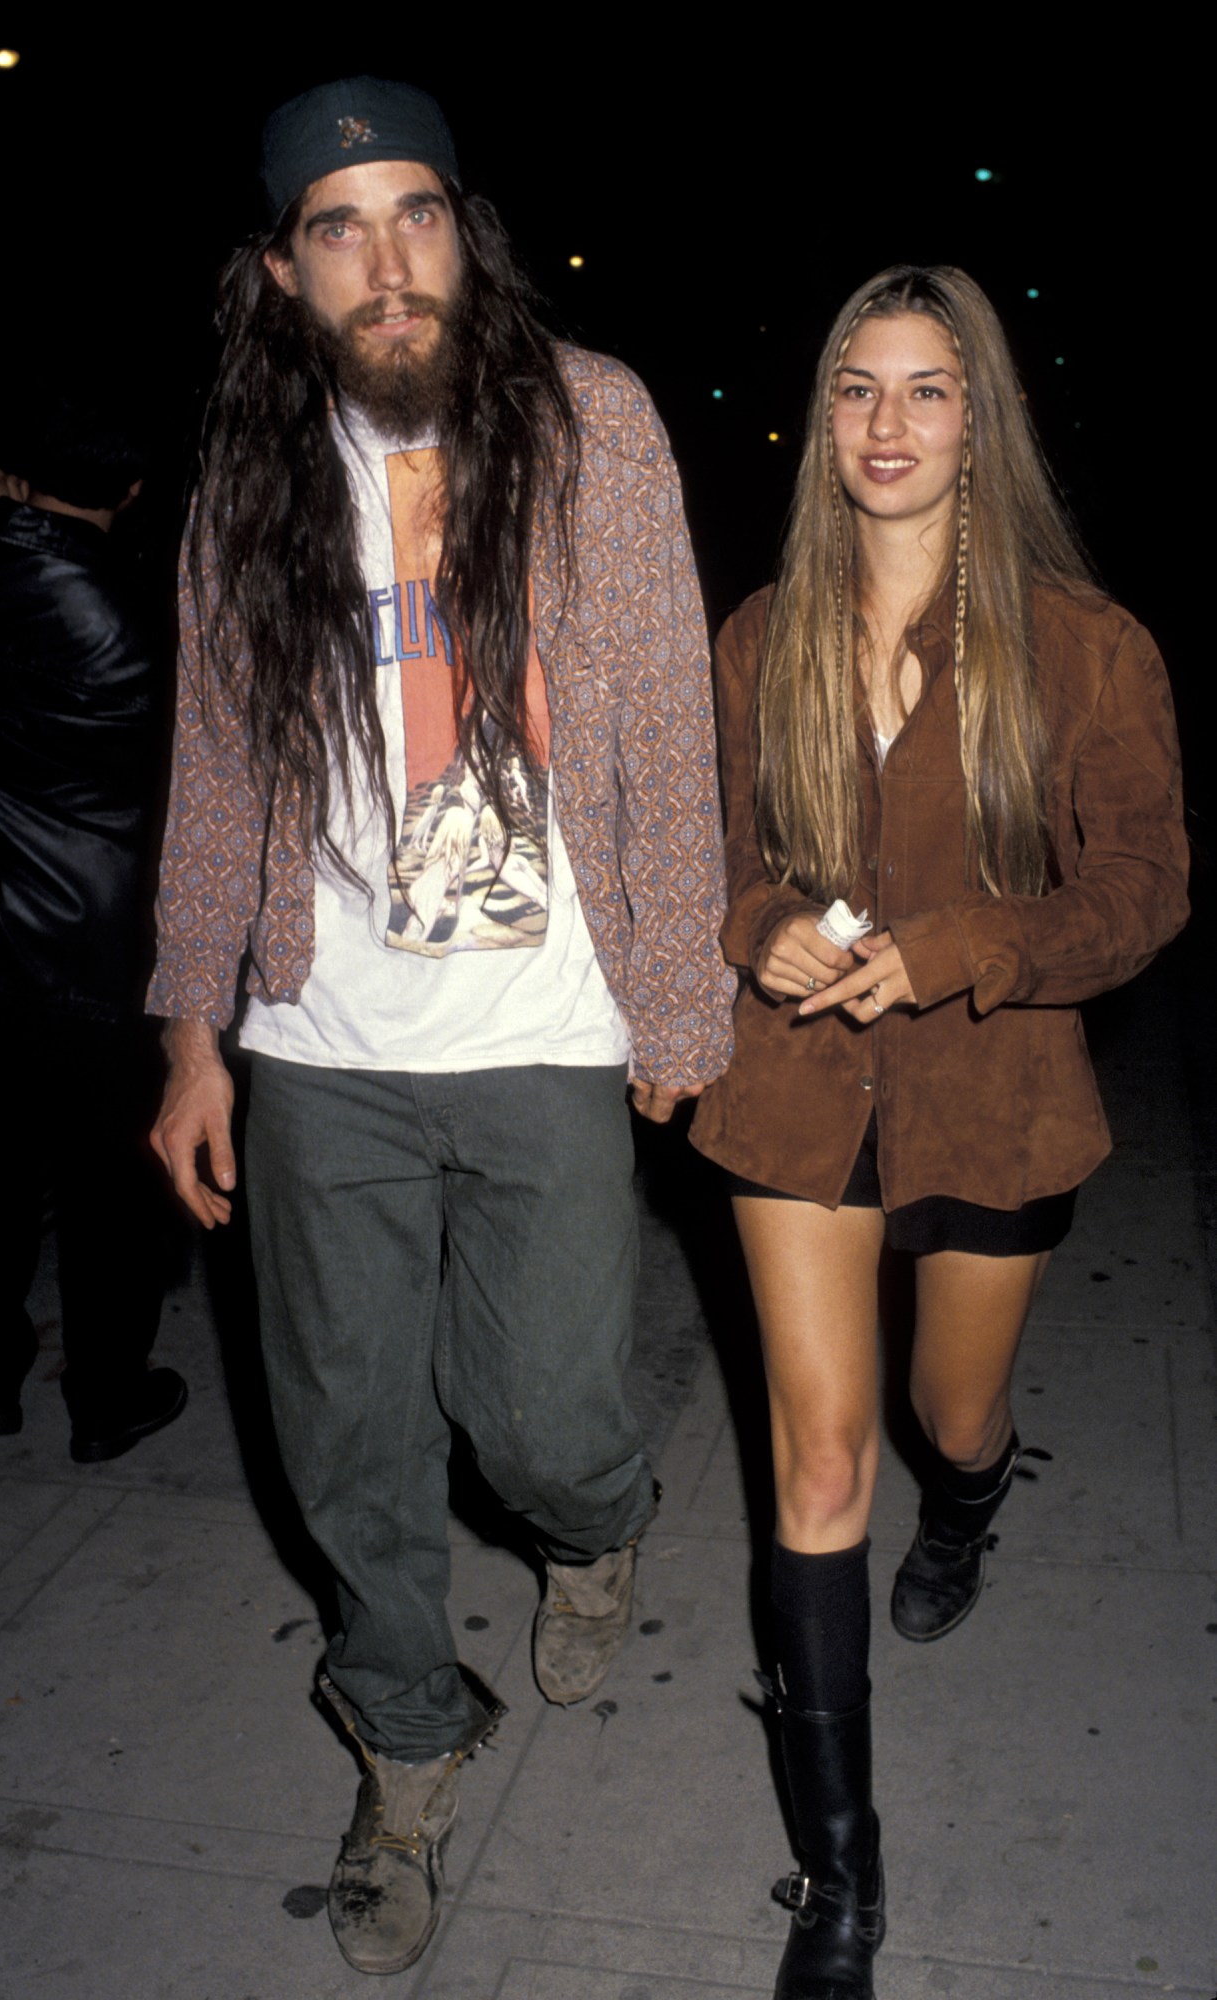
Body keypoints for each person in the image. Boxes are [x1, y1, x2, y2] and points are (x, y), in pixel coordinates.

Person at [147, 76, 733, 1978]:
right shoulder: (248, 466)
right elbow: (215, 772)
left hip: (549, 1016)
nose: (384, 262)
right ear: (282, 269)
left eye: (414, 215)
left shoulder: (594, 424)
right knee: (344, 1445)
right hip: (327, 1041)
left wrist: (679, 998)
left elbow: (658, 730)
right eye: (338, 227)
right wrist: (190, 1033)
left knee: (544, 1415)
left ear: (463, 233)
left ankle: (596, 1523)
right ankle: (402, 1741)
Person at [690, 266, 1188, 2000]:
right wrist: (754, 921)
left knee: (941, 1417)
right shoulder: (759, 633)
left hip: (994, 1092)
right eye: (854, 390)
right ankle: (843, 1890)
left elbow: (1142, 893)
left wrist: (964, 947)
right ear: (821, 420)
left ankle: (968, 1506)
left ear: (982, 425)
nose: (885, 426)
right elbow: (712, 851)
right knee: (817, 1463)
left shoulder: (1088, 645)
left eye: (925, 392)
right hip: (795, 1092)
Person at [0, 402, 184, 1463]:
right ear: (132, 491)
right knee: (110, 1186)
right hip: (100, 938)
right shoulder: (139, 617)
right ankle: (104, 1397)